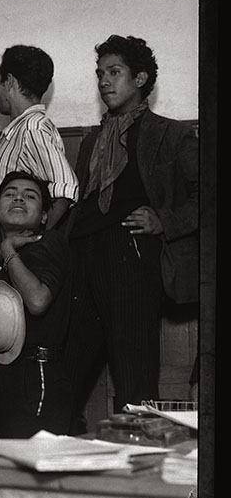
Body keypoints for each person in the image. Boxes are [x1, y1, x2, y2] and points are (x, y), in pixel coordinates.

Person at [62, 35, 199, 433]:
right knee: (63, 376)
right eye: (100, 74)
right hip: (83, 260)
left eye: (115, 72)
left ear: (140, 79)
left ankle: (138, 483)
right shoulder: (91, 141)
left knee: (135, 382)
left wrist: (164, 220)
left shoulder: (171, 134)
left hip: (132, 257)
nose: (104, 81)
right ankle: (65, 477)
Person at [0, 171, 72, 447]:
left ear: (45, 216)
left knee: (29, 472)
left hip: (38, 376)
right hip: (4, 375)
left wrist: (8, 250)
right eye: (10, 193)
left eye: (30, 195)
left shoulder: (50, 242)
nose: (19, 198)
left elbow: (37, 301)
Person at [0, 45, 79, 295]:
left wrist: (33, 241)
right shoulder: (21, 130)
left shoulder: (32, 128)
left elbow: (66, 188)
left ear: (9, 81)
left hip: (10, 246)